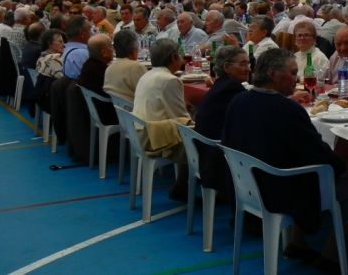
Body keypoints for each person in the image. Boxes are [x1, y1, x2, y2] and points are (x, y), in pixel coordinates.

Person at [222, 49, 348, 259]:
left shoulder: (238, 101)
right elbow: (318, 154)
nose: (296, 79)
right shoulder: (287, 110)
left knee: (299, 167)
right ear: (273, 74)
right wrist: (343, 165)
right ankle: (334, 257)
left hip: (246, 185)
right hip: (279, 191)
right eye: (292, 73)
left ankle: (297, 242)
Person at [132, 38, 191, 200]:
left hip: (140, 132)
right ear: (173, 57)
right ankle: (188, 187)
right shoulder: (170, 80)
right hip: (152, 138)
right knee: (201, 138)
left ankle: (183, 184)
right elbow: (182, 119)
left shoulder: (148, 74)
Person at [194, 46, 249, 190]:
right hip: (218, 161)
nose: (248, 68)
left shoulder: (221, 85)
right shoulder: (232, 89)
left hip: (206, 153)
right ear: (227, 67)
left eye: (248, 63)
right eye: (242, 64)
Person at [103, 29, 147, 103]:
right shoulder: (135, 67)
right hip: (131, 111)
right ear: (134, 49)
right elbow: (147, 94)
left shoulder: (109, 67)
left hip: (115, 109)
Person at [61, 16, 91, 80]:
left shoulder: (62, 49)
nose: (92, 33)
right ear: (82, 34)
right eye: (90, 29)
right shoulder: (82, 53)